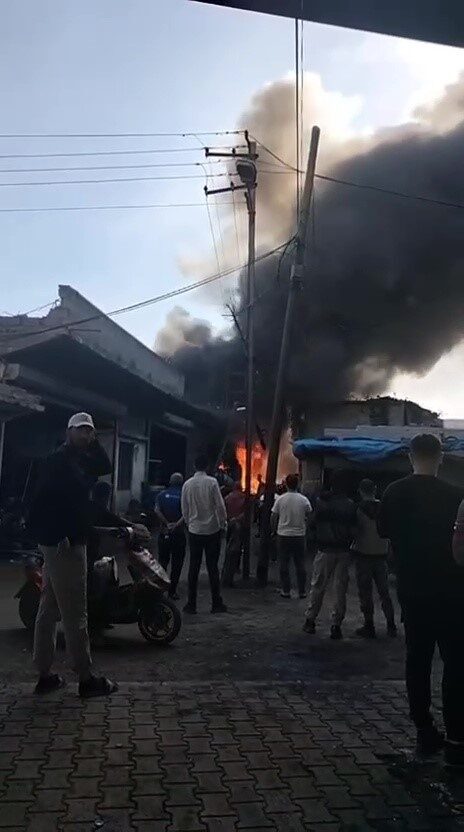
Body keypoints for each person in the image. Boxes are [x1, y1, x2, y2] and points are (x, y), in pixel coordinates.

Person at [27, 412, 128, 698]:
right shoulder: (61, 463)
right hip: (66, 543)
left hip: (54, 541)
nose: (86, 435)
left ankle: (44, 673)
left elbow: (104, 466)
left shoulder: (76, 460)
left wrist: (94, 444)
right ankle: (86, 678)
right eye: (81, 430)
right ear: (68, 431)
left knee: (48, 607)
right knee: (75, 611)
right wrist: (124, 525)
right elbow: (81, 506)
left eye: (90, 432)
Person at [379, 433, 464, 761]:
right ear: (440, 458)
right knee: (456, 662)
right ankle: (457, 735)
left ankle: (424, 729)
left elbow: (384, 531)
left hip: (413, 591)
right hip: (453, 592)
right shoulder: (456, 495)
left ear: (410, 457)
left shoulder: (394, 492)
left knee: (418, 659)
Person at [303, 472, 356, 639]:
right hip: (343, 551)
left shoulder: (321, 502)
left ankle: (310, 621)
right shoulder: (350, 505)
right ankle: (336, 625)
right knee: (340, 590)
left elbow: (311, 523)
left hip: (325, 550)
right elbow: (354, 530)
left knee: (318, 586)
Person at [181, 454, 227, 614]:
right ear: (207, 467)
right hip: (212, 530)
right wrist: (223, 524)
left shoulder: (187, 484)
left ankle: (191, 604)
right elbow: (220, 506)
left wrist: (189, 524)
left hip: (195, 531)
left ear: (194, 466)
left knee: (193, 567)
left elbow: (184, 509)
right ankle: (216, 603)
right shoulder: (212, 483)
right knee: (212, 567)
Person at [351, 478, 396, 638]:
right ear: (375, 489)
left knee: (365, 592)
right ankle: (391, 625)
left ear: (360, 491)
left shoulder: (358, 510)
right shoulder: (385, 508)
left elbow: (355, 532)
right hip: (381, 555)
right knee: (385, 592)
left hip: (363, 554)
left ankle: (369, 625)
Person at [271, 473, 312, 599]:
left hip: (283, 535)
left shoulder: (280, 499)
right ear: (298, 484)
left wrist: (274, 530)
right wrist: (306, 527)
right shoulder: (304, 500)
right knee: (300, 563)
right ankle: (302, 591)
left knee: (284, 563)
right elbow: (310, 515)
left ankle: (286, 590)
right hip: (299, 535)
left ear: (286, 484)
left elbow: (273, 516)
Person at [155, 473, 185, 600]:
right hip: (178, 535)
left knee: (162, 562)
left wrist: (167, 524)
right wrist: (176, 525)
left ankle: (159, 589)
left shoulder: (161, 495)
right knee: (177, 564)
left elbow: (157, 510)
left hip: (164, 534)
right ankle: (172, 591)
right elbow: (186, 513)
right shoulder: (184, 496)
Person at [222, 481, 246, 587]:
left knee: (229, 545)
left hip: (229, 524)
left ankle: (229, 570)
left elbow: (223, 511)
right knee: (238, 546)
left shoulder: (227, 498)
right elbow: (247, 512)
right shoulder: (244, 497)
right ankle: (236, 567)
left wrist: (228, 519)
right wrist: (237, 519)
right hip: (239, 525)